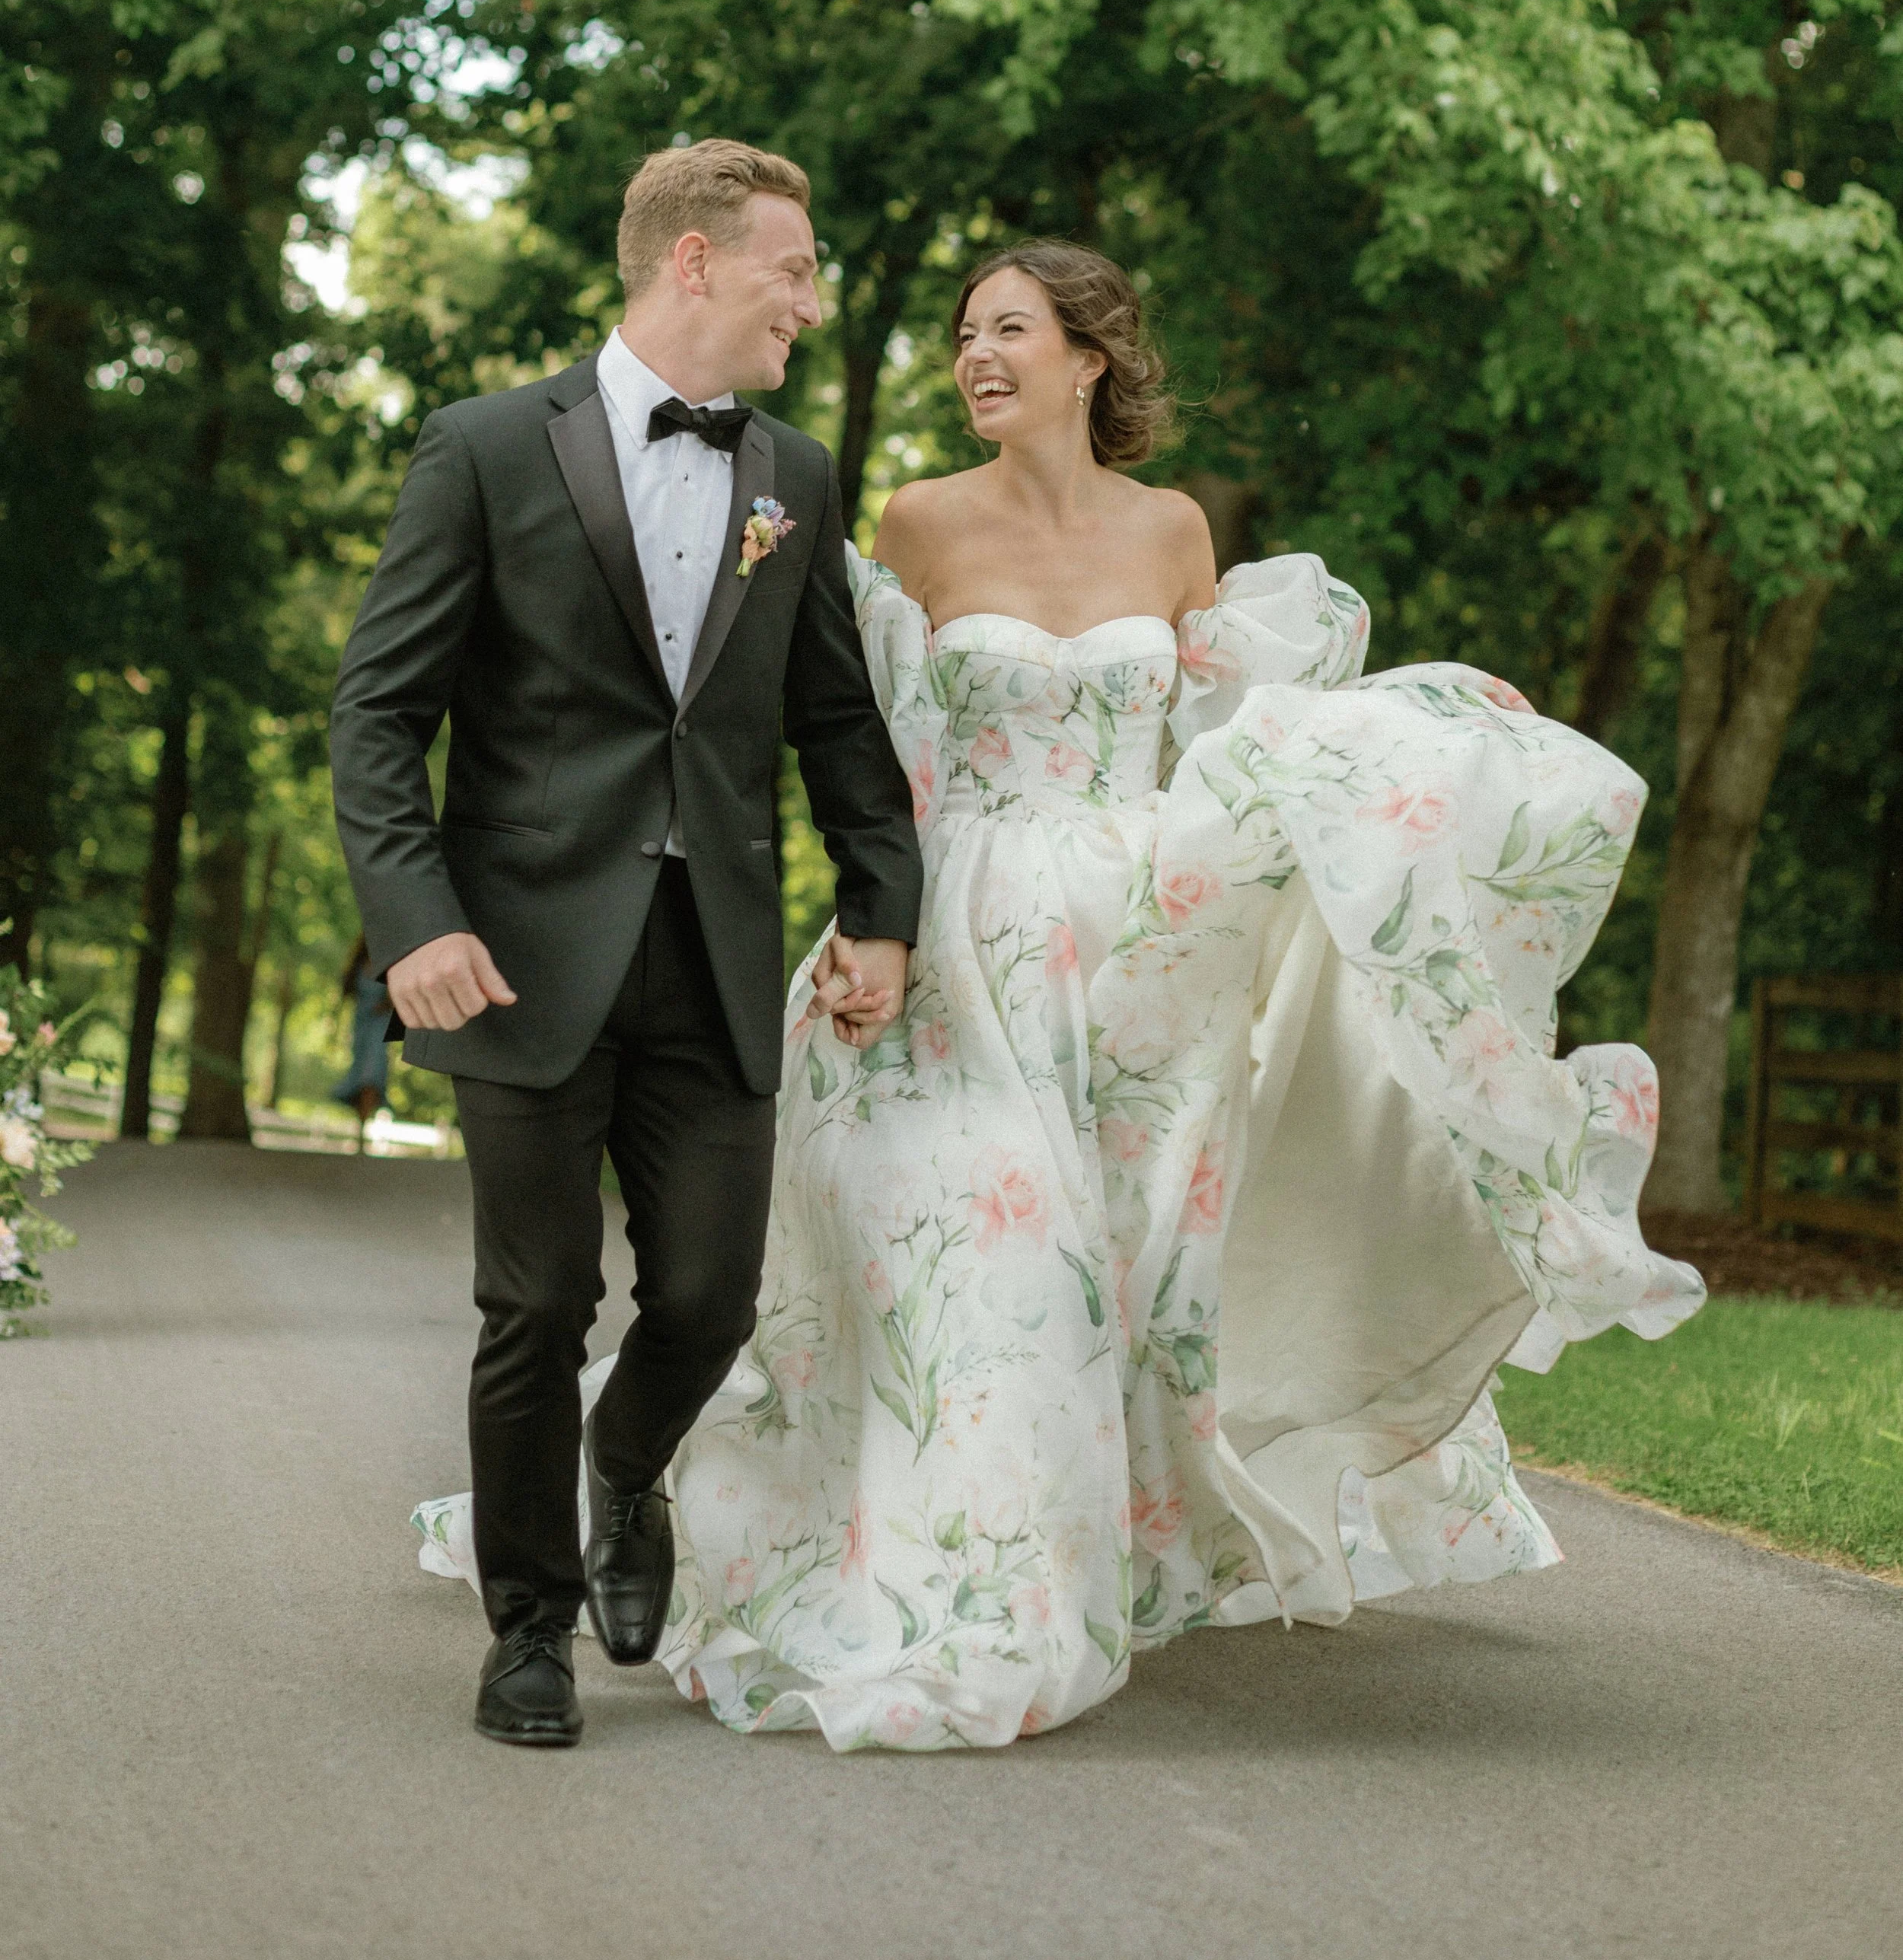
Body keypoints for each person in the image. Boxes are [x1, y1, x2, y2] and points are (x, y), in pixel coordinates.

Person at [413, 237, 1704, 1754]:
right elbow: (859, 726)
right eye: (965, 333)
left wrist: (1401, 753)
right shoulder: (908, 518)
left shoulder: (1173, 532)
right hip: (952, 935)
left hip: (1140, 952)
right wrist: (861, 912)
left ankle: (1070, 1547)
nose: (975, 355)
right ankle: (959, 1593)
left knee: (1127, 1280)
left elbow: (1235, 737)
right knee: (979, 1263)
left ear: (1088, 356)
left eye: (1007, 329)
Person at [333, 138, 923, 1748]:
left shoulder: (791, 478)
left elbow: (832, 718)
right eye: (790, 270)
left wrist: (882, 911)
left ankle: (623, 1466)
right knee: (532, 1304)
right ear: (692, 262)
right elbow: (379, 715)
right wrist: (415, 928)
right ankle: (524, 1628)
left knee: (711, 1297)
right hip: (514, 955)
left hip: (718, 955)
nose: (808, 301)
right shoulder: (480, 450)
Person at [330, 933, 390, 1138]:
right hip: (360, 1026)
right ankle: (360, 1126)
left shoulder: (388, 965)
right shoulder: (358, 966)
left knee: (371, 1074)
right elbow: (347, 991)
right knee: (359, 1074)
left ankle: (364, 1126)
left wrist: (383, 1005)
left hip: (380, 1027)